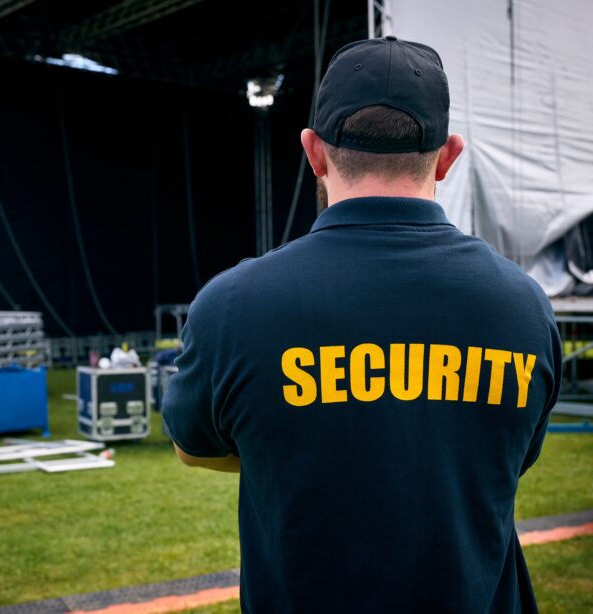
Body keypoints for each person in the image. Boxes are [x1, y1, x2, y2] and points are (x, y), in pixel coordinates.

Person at [161, 36, 561, 613]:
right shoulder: (522, 308)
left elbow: (192, 446)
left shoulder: (233, 305)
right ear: (447, 157)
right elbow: (511, 454)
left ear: (313, 152)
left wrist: (293, 440)